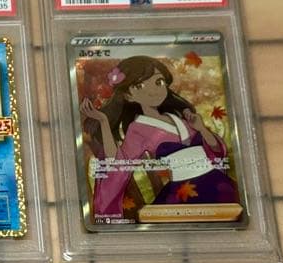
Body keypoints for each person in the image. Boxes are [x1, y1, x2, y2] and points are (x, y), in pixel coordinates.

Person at [80, 55, 238, 222]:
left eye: (158, 82)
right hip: (183, 190)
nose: (154, 90)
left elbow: (217, 152)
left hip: (215, 180)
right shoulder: (138, 129)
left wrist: (202, 129)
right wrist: (104, 122)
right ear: (128, 96)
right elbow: (119, 162)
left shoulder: (180, 118)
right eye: (140, 86)